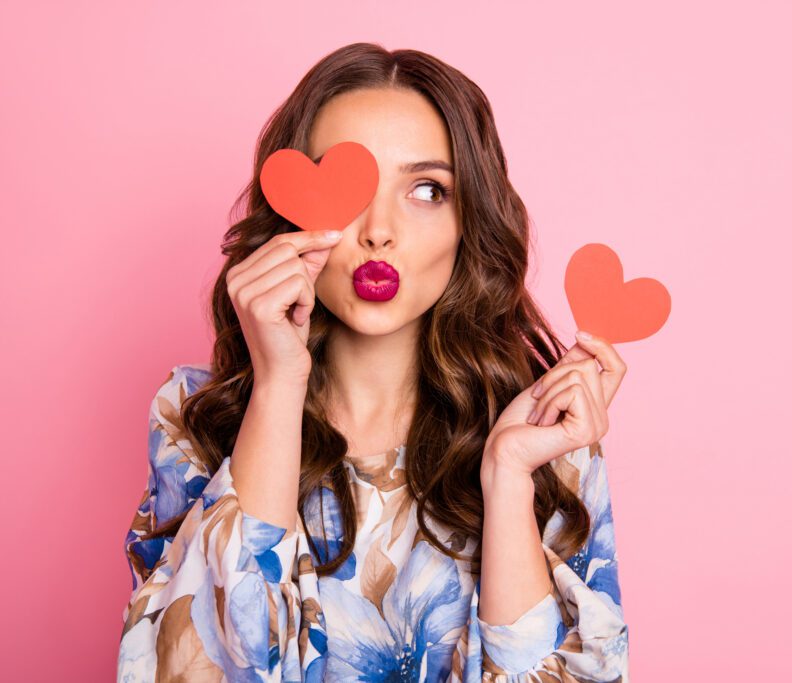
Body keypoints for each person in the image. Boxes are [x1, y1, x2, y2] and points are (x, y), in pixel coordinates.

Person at [117, 42, 630, 682]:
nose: (378, 231)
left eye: (426, 189)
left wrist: (506, 477)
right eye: (349, 186)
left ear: (470, 220)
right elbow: (192, 671)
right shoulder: (195, 421)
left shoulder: (547, 436)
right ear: (291, 210)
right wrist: (278, 384)